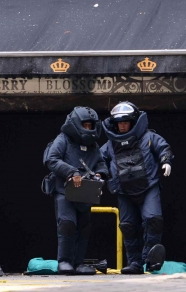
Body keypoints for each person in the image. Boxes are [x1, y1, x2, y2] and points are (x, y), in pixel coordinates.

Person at [100, 101, 173, 274]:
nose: (123, 126)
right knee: (127, 225)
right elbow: (99, 161)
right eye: (120, 123)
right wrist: (98, 177)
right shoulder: (110, 144)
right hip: (124, 191)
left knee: (153, 219)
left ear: (133, 122)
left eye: (126, 122)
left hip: (149, 187)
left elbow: (164, 148)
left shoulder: (148, 137)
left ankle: (150, 259)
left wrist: (166, 161)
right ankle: (135, 263)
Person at [44, 107, 109, 275]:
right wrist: (72, 172)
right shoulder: (63, 139)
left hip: (85, 193)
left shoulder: (93, 145)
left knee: (84, 227)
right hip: (64, 191)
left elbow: (101, 163)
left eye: (90, 126)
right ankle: (64, 261)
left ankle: (79, 262)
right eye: (85, 125)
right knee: (67, 224)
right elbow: (52, 159)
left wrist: (100, 174)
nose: (88, 129)